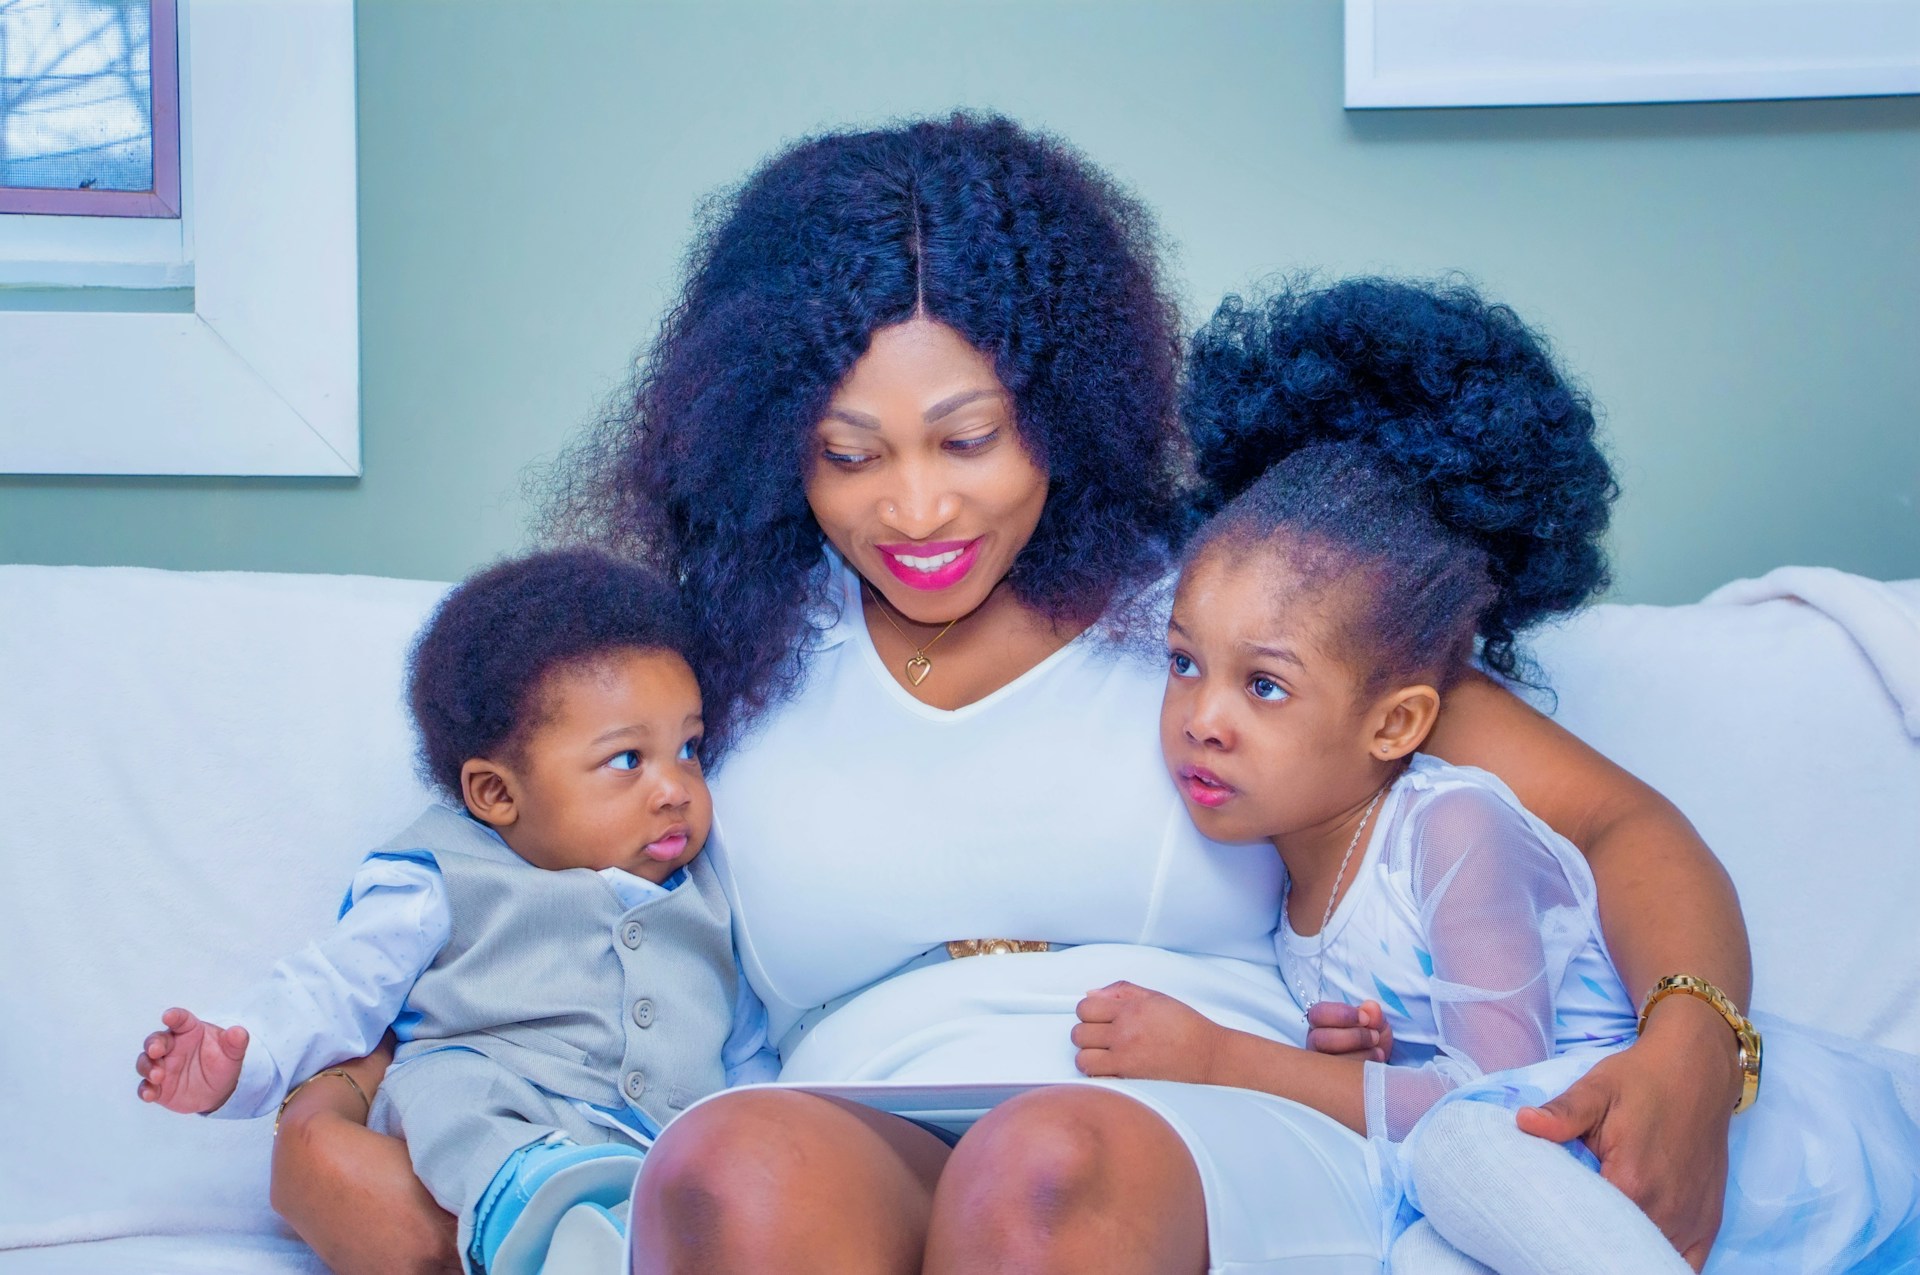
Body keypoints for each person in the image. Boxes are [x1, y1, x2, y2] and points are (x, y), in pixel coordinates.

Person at [271, 116, 1756, 1275]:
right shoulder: (708, 652)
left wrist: (1693, 1037)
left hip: (1205, 1131)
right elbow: (480, 894)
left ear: (1064, 403)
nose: (916, 505)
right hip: (855, 1119)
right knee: (727, 1170)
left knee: (1040, 1164)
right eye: (850, 453)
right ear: (768, 440)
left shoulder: (1230, 609)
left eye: (968, 436)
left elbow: (1621, 822)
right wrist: (317, 1124)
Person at [1076, 425, 1920, 1272]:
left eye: (1263, 685)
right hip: (1549, 1192)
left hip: (1675, 1146)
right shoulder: (1289, 881)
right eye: (1183, 662)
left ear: (1396, 723)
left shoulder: (1453, 826)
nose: (1202, 720)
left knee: (1455, 1151)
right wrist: (1368, 1054)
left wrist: (1219, 1056)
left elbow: (1486, 1096)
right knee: (1413, 1255)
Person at [137, 549, 776, 1274]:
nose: (674, 788)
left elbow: (748, 1049)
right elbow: (335, 989)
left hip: (644, 1151)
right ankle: (527, 1208)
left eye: (688, 749)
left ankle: (604, 1239)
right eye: (628, 760)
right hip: (490, 1120)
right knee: (442, 1080)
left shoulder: (713, 895)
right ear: (496, 794)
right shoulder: (439, 876)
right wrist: (242, 1059)